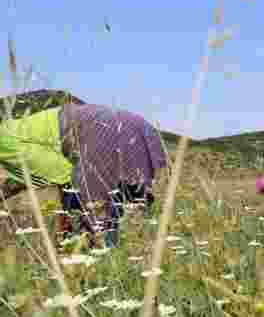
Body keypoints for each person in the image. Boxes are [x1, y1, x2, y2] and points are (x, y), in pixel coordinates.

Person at [0, 103, 168, 247]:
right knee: (121, 186)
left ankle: (92, 246)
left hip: (100, 126)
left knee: (88, 190)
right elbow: (31, 173)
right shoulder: (10, 134)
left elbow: (60, 173)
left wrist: (69, 226)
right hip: (127, 122)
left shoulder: (6, 141)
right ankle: (126, 240)